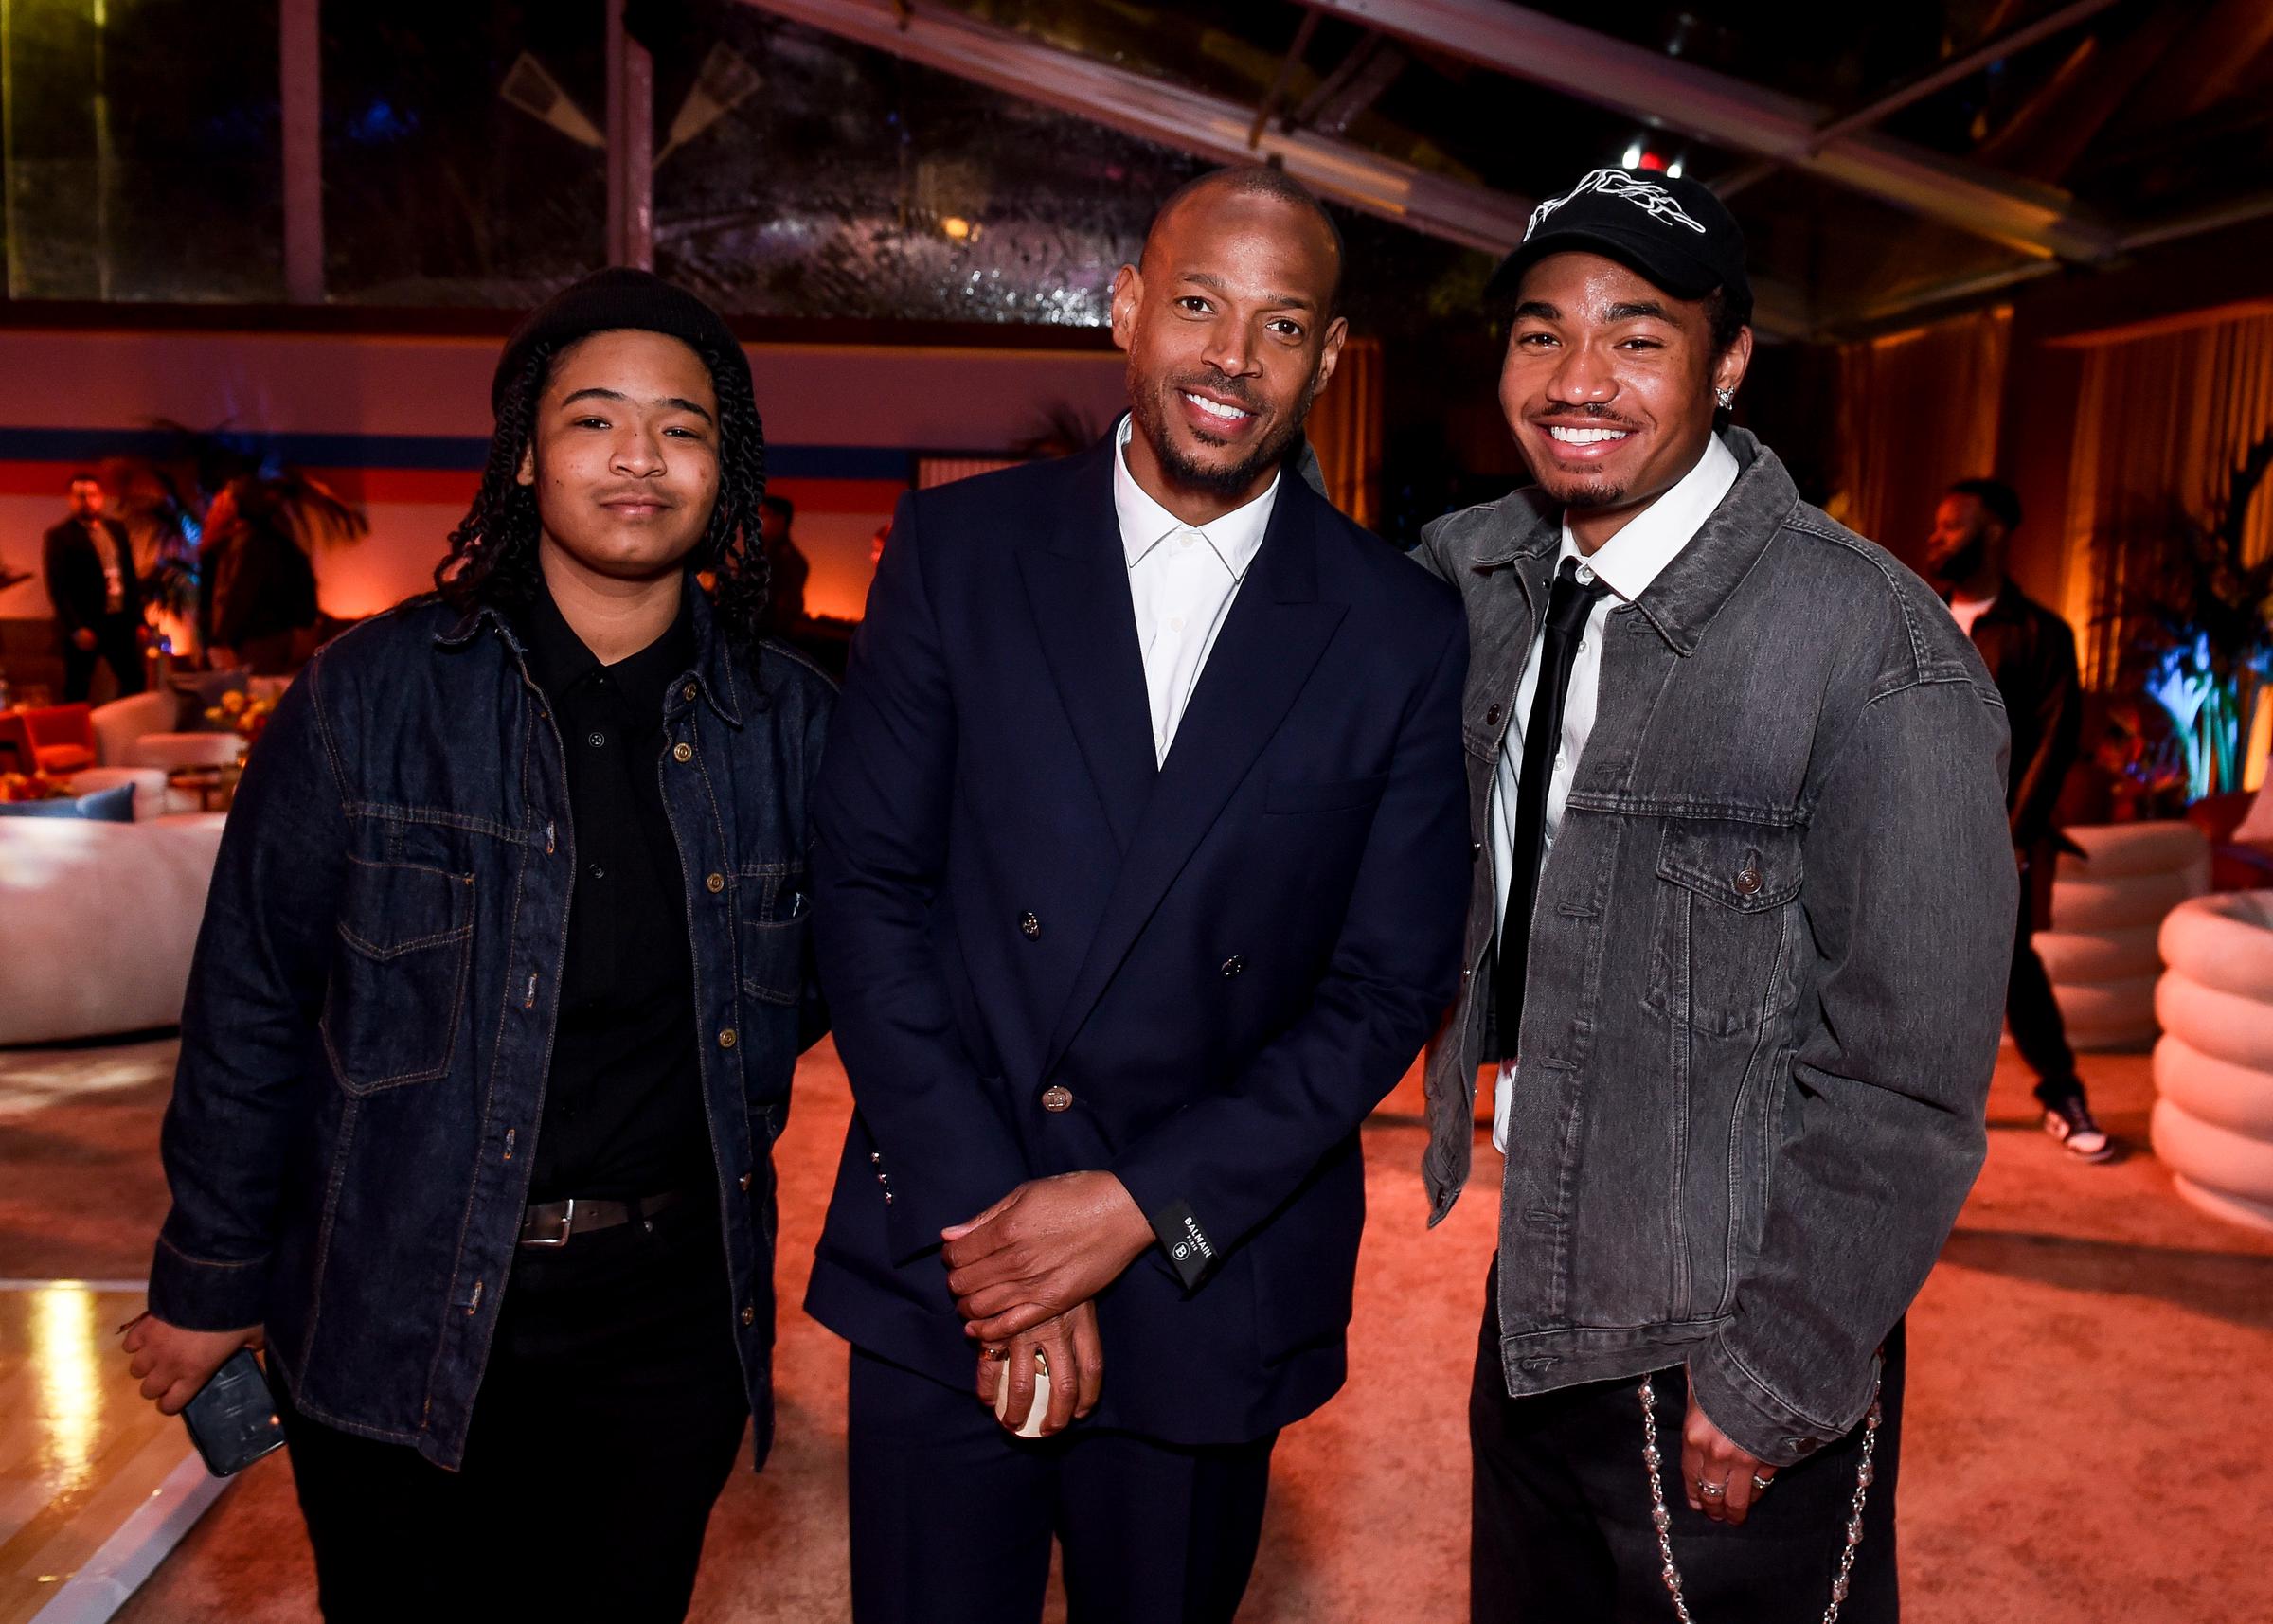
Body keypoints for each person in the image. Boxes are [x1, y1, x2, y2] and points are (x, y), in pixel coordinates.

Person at [807, 166, 1470, 1624]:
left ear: (1329, 357)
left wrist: (1133, 1206)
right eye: (1197, 303)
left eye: (1281, 322)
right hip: (952, 1240)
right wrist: (1004, 1231)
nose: (1233, 354)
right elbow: (865, 892)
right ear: (1124, 311)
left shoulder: (1399, 629)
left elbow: (1382, 986)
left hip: (1202, 1268)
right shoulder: (957, 552)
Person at [121, 268, 832, 1624]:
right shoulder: (370, 696)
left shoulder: (795, 727)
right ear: (524, 452)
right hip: (398, 1288)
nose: (639, 456)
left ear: (723, 468)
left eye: (682, 426)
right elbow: (254, 1001)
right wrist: (210, 1276)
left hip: (661, 1323)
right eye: (594, 419)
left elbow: (830, 985)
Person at [1409, 167, 2014, 1623]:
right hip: (1535, 1302)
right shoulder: (1484, 576)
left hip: (1726, 1340)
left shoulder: (1873, 644)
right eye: (1541, 332)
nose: (1577, 378)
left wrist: (1779, 1371)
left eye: (1637, 333)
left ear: (1729, 360)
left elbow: (1910, 1076)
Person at [1928, 477, 2107, 1161]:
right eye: (1936, 526)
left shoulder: (2042, 634)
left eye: (1952, 525)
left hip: (1995, 835)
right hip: (1908, 824)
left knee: (2011, 966)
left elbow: (2054, 742)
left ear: (1995, 532)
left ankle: (2061, 1091)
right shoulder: (1918, 613)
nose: (1936, 536)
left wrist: (2012, 837)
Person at [43, 471, 146, 700]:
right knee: (77, 686)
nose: (87, 501)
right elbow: (58, 586)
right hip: (86, 620)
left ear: (101, 497)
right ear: (70, 499)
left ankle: (124, 727)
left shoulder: (116, 530)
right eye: (80, 496)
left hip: (118, 619)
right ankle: (74, 732)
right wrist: (75, 627)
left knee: (134, 679)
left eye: (92, 495)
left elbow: (129, 575)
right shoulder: (60, 536)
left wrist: (139, 619)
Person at [201, 477, 322, 673]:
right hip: (241, 647)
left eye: (222, 502)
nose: (214, 508)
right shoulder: (227, 547)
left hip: (256, 649)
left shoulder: (263, 549)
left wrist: (223, 641)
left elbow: (243, 599)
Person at [759, 492, 810, 635]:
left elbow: (785, 608)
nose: (758, 521)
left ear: (780, 520)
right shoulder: (763, 554)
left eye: (763, 516)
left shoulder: (787, 560)